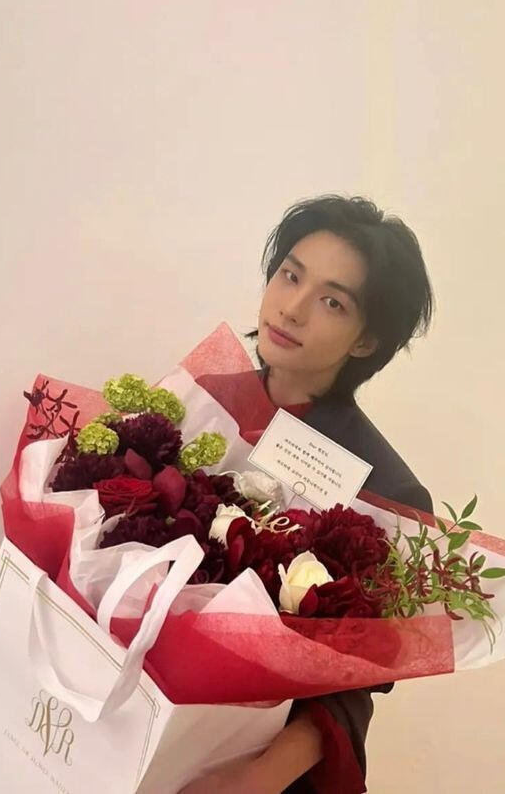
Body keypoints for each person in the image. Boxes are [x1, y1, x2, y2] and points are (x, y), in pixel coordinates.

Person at [180, 194, 435, 793]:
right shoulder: (201, 403)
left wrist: (258, 778)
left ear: (365, 341)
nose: (291, 309)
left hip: (250, 763)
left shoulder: (384, 488)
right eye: (291, 275)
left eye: (332, 302)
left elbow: (357, 674)